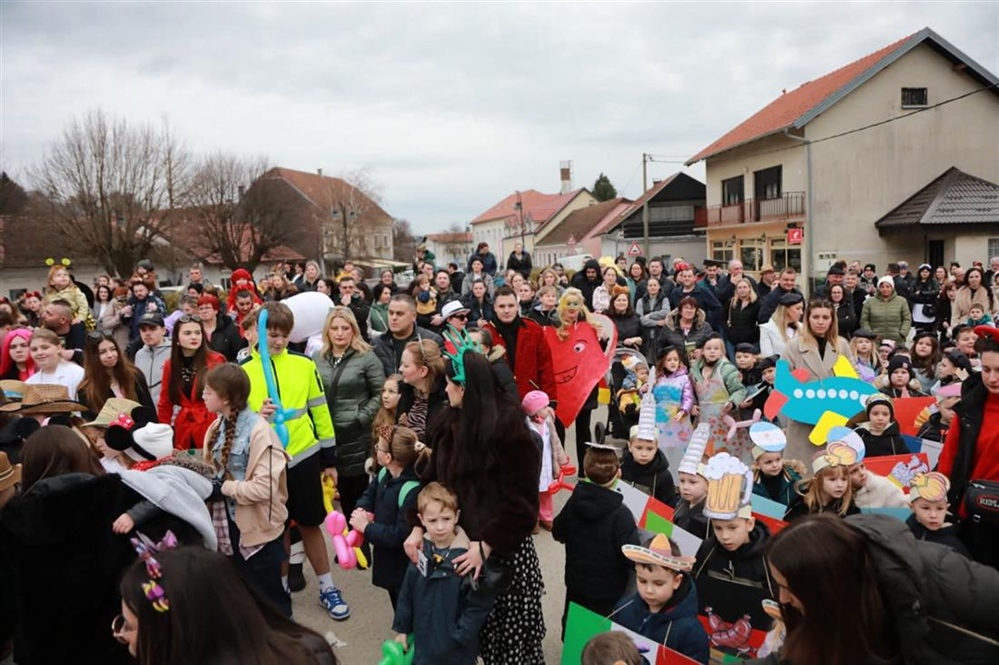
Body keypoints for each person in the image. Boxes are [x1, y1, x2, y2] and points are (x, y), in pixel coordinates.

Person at [0, 426, 188, 665]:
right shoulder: (124, 502)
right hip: (117, 644)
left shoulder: (15, 522)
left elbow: (6, 603)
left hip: (43, 651)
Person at [404, 348, 544, 665]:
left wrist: (487, 544)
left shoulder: (509, 429)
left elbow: (523, 506)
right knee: (460, 644)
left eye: (450, 384)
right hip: (456, 551)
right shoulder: (449, 423)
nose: (445, 390)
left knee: (508, 651)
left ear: (465, 388)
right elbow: (431, 482)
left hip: (502, 561)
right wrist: (416, 525)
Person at [754, 514, 999, 665]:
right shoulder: (824, 605)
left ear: (824, 583)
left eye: (789, 588)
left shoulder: (941, 573)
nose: (783, 598)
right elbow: (801, 654)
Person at [239, 303, 347, 621]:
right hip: (266, 460)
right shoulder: (243, 371)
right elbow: (235, 422)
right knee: (278, 528)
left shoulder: (303, 364)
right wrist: (256, 416)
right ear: (259, 332)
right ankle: (281, 588)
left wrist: (329, 458)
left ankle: (327, 586)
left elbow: (320, 410)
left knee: (311, 524)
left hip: (304, 454)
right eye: (272, 334)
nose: (279, 341)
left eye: (284, 335)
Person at [116, 547, 337, 665]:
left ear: (180, 631)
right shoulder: (306, 650)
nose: (120, 634)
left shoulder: (307, 655)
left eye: (128, 625)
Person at [201, 363, 291, 616]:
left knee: (272, 607)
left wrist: (224, 487)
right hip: (225, 528)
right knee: (241, 604)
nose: (203, 396)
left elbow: (264, 488)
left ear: (226, 398)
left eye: (208, 391)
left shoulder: (261, 432)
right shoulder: (214, 428)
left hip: (258, 532)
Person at [393, 482, 496, 665]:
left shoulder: (467, 558)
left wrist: (461, 635)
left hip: (456, 650)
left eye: (446, 519)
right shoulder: (421, 551)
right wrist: (402, 629)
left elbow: (479, 602)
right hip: (423, 644)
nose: (440, 527)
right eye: (433, 521)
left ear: (457, 516)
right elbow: (407, 592)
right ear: (421, 520)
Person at [552, 440, 639, 637]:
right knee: (601, 634)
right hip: (609, 590)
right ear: (618, 473)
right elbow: (631, 556)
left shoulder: (574, 502)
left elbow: (558, 531)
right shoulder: (622, 514)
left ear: (585, 471)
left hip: (576, 583)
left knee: (575, 628)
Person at [692, 453, 774, 656]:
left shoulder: (768, 558)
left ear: (749, 523)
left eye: (732, 527)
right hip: (711, 638)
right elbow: (695, 587)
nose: (725, 536)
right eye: (718, 528)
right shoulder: (707, 549)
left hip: (753, 644)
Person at [314, 307, 385, 518]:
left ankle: (359, 537)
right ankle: (343, 537)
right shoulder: (318, 358)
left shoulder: (367, 357)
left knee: (357, 497)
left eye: (345, 328)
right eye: (335, 328)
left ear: (353, 330)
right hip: (328, 435)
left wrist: (361, 418)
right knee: (336, 494)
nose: (340, 333)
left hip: (357, 437)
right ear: (327, 331)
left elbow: (381, 393)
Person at [938, 327, 999, 567]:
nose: (992, 378)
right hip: (972, 517)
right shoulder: (969, 409)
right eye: (986, 369)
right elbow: (948, 460)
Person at [351, 425, 423, 609]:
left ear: (389, 457)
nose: (376, 449)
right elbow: (369, 494)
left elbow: (399, 535)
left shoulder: (411, 490)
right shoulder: (385, 472)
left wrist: (366, 527)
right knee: (395, 602)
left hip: (402, 566)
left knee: (405, 607)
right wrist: (362, 509)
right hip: (387, 561)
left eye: (379, 447)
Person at [610, 535, 708, 664]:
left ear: (676, 581)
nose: (649, 590)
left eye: (658, 583)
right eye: (642, 581)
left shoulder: (691, 632)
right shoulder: (623, 609)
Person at [779, 299, 854, 462]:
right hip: (803, 421)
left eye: (825, 317)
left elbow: (853, 381)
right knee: (803, 470)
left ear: (832, 320)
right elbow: (782, 382)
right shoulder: (793, 346)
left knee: (833, 470)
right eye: (816, 317)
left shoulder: (842, 345)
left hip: (834, 420)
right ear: (808, 319)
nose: (820, 322)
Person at [156, 316, 225, 451]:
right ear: (176, 337)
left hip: (210, 424)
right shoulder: (170, 365)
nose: (194, 337)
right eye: (187, 333)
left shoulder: (216, 360)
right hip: (183, 428)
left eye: (198, 333)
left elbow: (227, 397)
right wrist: (164, 436)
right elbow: (165, 402)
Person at [483, 286, 556, 402]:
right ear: (495, 308)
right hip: (498, 401)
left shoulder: (533, 329)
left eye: (511, 306)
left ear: (517, 307)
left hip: (531, 398)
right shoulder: (485, 333)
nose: (507, 310)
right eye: (502, 306)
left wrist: (551, 400)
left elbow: (546, 367)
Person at [690, 335, 746, 458]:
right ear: (702, 351)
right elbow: (690, 392)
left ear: (722, 352)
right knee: (704, 454)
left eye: (716, 348)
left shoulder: (727, 370)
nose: (712, 351)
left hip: (725, 418)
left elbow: (739, 390)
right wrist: (692, 404)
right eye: (708, 348)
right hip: (703, 420)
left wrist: (732, 402)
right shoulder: (695, 371)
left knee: (726, 453)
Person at [77, 332, 154, 420]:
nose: (110, 355)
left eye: (113, 349)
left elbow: (149, 411)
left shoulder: (135, 375)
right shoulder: (86, 390)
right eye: (102, 352)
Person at [522, 390, 568, 531]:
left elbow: (555, 442)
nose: (548, 409)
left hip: (548, 462)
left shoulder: (548, 423)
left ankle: (546, 516)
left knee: (547, 492)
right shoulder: (526, 426)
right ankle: (533, 518)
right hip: (533, 466)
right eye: (544, 407)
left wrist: (562, 459)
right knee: (532, 492)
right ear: (535, 411)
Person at [373, 295, 443, 378]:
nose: (394, 318)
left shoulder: (432, 341)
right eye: (391, 313)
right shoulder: (377, 344)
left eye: (400, 314)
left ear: (413, 316)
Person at [905, 471, 969, 557]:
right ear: (912, 507)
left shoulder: (954, 547)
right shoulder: (905, 532)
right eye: (925, 508)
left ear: (947, 507)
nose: (933, 515)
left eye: (940, 509)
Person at [787, 446, 861, 519]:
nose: (840, 485)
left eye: (844, 479)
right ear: (818, 481)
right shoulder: (800, 504)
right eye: (832, 479)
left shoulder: (850, 511)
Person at [396, 339, 448, 443]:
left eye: (406, 365)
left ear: (423, 371)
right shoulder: (407, 393)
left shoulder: (444, 402)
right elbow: (393, 428)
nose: (400, 369)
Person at [751, 426, 804, 518]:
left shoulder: (793, 478)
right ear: (757, 465)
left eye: (778, 460)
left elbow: (801, 501)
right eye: (768, 462)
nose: (775, 465)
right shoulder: (752, 484)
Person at [647, 296, 714, 361]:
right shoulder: (668, 327)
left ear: (696, 311)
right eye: (686, 308)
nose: (689, 311)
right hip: (674, 366)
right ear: (680, 311)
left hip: (699, 365)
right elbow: (658, 349)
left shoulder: (705, 327)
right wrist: (671, 354)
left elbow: (713, 346)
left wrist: (702, 351)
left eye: (692, 308)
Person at [672, 424, 710, 540]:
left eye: (692, 482)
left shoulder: (709, 515)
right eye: (682, 481)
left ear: (708, 485)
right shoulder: (681, 503)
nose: (685, 487)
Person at [25, 328, 85, 399]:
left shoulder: (77, 373)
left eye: (45, 347)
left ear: (58, 348)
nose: (39, 353)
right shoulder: (29, 383)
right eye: (34, 349)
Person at [133, 313, 171, 407]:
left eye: (152, 329)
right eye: (143, 330)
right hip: (146, 411)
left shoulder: (174, 352)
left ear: (163, 330)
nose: (147, 333)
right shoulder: (139, 355)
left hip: (169, 411)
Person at [860, 276, 912, 345]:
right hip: (876, 341)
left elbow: (907, 319)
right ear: (878, 288)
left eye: (888, 287)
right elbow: (864, 320)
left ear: (892, 288)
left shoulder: (902, 301)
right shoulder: (870, 302)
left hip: (897, 340)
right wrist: (870, 334)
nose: (885, 289)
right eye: (882, 287)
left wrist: (902, 333)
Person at [43, 261, 93, 329]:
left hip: (74, 318)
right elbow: (46, 308)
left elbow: (83, 304)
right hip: (56, 320)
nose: (63, 276)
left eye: (65, 275)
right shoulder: (49, 294)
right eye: (59, 275)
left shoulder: (74, 290)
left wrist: (80, 317)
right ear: (51, 281)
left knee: (78, 328)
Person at [196, 294, 245, 362]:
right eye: (201, 309)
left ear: (216, 310)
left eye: (207, 308)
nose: (204, 311)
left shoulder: (228, 327)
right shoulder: (196, 329)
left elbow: (237, 352)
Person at [40, 299, 86, 365]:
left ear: (63, 320)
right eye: (45, 312)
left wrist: (74, 354)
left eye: (49, 314)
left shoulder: (80, 334)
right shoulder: (43, 335)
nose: (43, 316)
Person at [759, 292, 803, 358]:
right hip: (780, 363)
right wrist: (783, 365)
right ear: (786, 309)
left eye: (801, 309)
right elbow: (768, 357)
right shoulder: (767, 329)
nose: (801, 312)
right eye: (797, 308)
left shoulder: (803, 327)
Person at [724, 277, 761, 354]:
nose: (742, 290)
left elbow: (761, 320)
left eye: (744, 287)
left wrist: (755, 332)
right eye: (739, 288)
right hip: (732, 341)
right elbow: (723, 318)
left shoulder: (757, 303)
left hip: (751, 341)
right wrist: (728, 331)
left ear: (750, 288)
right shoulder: (731, 302)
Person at [607, 287, 643, 351]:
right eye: (618, 300)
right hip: (612, 351)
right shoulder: (607, 318)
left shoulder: (636, 318)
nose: (621, 302)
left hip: (632, 351)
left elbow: (643, 338)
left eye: (624, 300)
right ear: (613, 302)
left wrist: (634, 340)